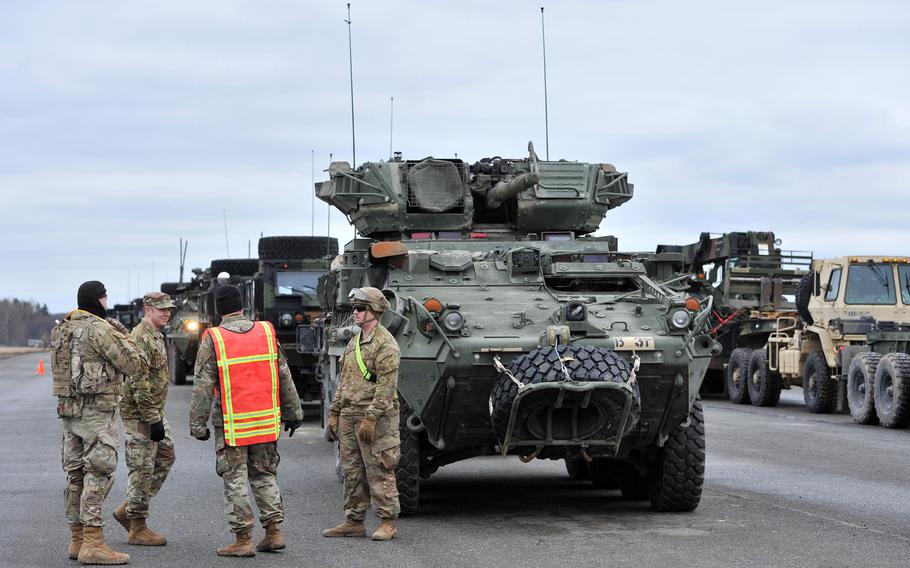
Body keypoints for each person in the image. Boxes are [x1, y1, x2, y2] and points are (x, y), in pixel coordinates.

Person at [189, 284, 304, 557]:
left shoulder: (214, 338)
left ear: (218, 309)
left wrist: (197, 424)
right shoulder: (265, 332)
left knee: (235, 479)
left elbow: (202, 385)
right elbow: (283, 374)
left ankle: (242, 540)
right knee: (265, 475)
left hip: (232, 424)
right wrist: (293, 412)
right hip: (265, 422)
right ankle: (274, 532)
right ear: (243, 306)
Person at [51, 281, 145, 565]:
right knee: (98, 472)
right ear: (99, 300)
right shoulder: (100, 328)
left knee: (76, 474)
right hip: (96, 413)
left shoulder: (62, 328)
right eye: (105, 298)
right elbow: (135, 364)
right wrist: (123, 333)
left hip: (70, 412)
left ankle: (77, 539)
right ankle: (93, 542)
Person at [323, 287, 401, 541]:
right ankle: (354, 520)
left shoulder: (385, 344)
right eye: (354, 308)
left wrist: (371, 417)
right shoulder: (354, 342)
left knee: (379, 468)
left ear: (374, 311)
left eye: (360, 308)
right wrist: (334, 412)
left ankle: (387, 521)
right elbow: (344, 381)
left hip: (375, 419)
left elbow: (386, 388)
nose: (354, 313)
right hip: (349, 415)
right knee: (352, 470)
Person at [111, 292, 177, 546]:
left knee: (166, 457)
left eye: (169, 309)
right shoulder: (140, 338)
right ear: (147, 309)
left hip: (154, 411)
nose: (167, 313)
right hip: (141, 414)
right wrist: (152, 419)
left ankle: (128, 509)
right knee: (141, 469)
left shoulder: (156, 336)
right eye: (162, 309)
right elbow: (137, 382)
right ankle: (137, 527)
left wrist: (156, 415)